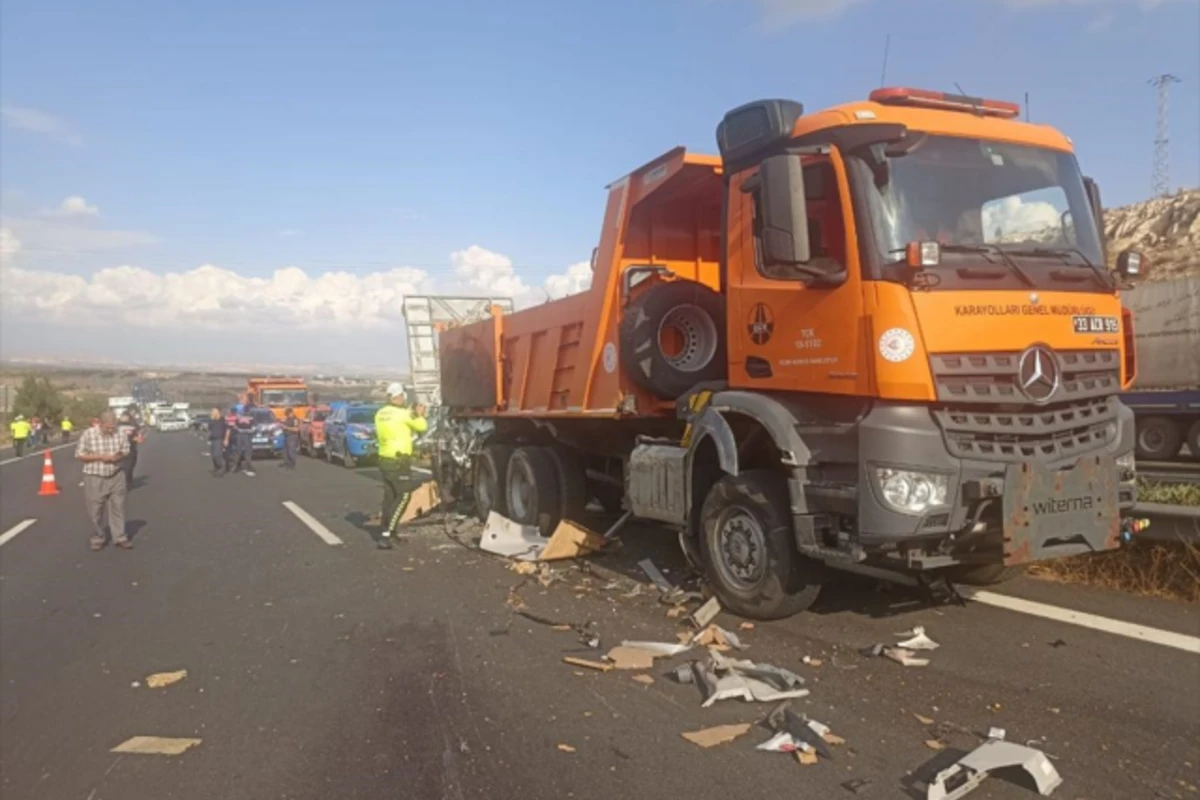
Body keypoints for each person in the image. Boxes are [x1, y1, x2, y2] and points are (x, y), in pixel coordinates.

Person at [373, 383, 428, 549]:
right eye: (403, 396)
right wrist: (419, 415)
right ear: (399, 396)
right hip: (399, 461)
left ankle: (388, 532)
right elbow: (422, 427)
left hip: (384, 458)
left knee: (389, 497)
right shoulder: (403, 414)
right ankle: (387, 535)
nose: (404, 399)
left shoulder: (380, 413)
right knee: (404, 496)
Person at [75, 410, 133, 551]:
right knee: (95, 510)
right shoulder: (89, 434)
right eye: (108, 427)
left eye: (113, 427)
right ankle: (98, 536)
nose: (111, 430)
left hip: (116, 474)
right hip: (95, 476)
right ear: (100, 423)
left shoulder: (120, 433)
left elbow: (126, 450)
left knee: (118, 506)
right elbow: (79, 455)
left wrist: (118, 456)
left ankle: (120, 537)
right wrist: (101, 457)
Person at [228, 403, 256, 476]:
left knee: (247, 451)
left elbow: (254, 426)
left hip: (246, 435)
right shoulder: (240, 417)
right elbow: (235, 425)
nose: (247, 410)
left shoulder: (251, 417)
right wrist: (239, 429)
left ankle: (247, 466)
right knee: (240, 451)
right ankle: (236, 466)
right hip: (241, 435)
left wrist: (251, 430)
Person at [118, 410, 143, 486]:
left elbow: (138, 435)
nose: (124, 418)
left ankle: (129, 480)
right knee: (123, 466)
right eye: (123, 417)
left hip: (131, 448)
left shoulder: (132, 426)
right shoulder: (115, 426)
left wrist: (138, 438)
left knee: (131, 465)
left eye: (126, 417)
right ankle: (123, 482)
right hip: (119, 449)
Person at [207, 407, 229, 476]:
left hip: (219, 439)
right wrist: (209, 439)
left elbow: (228, 430)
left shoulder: (223, 420)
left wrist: (226, 439)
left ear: (218, 412)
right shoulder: (212, 420)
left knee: (217, 455)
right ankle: (216, 468)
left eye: (213, 411)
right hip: (213, 439)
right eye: (212, 411)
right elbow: (210, 430)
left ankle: (222, 468)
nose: (212, 413)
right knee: (213, 456)